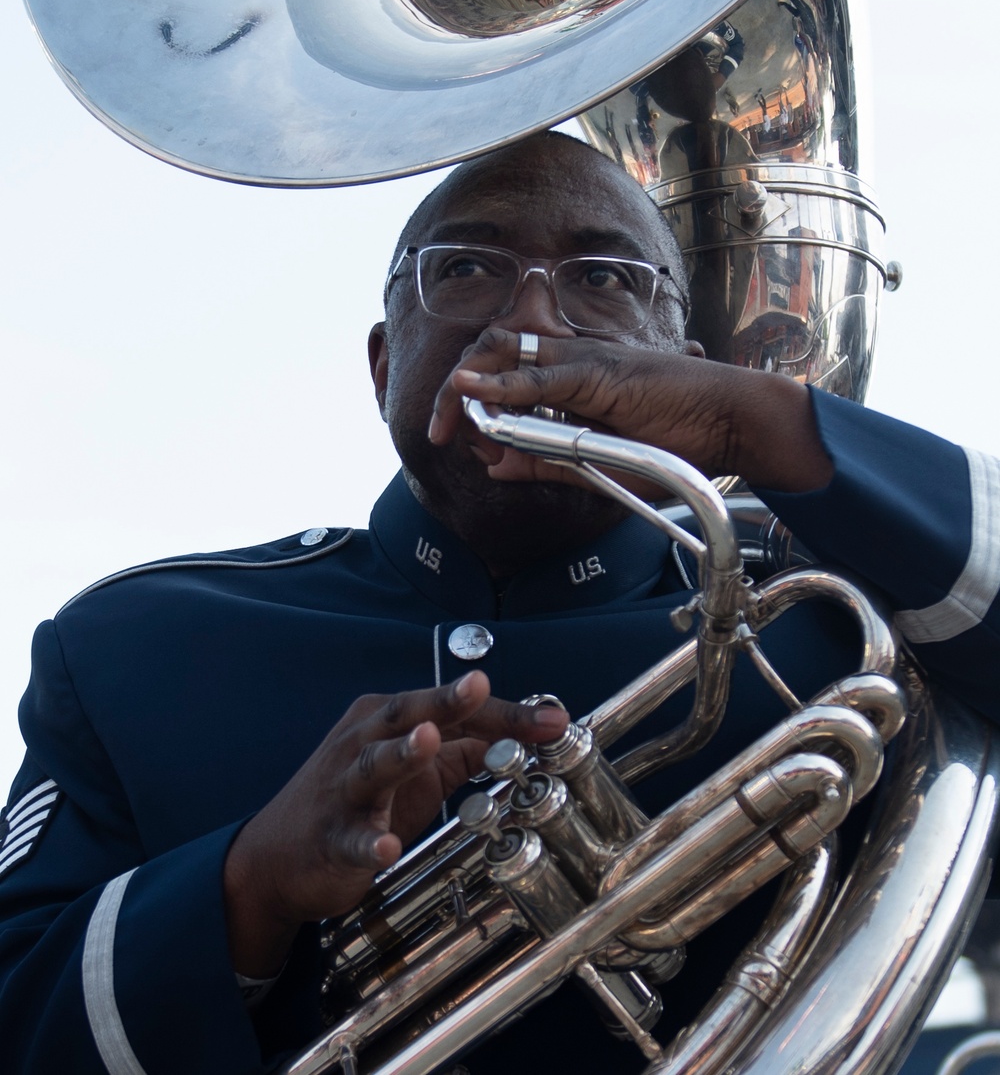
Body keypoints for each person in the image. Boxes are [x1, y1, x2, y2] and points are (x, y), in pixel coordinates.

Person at [1, 131, 998, 1075]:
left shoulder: (842, 621)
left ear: (683, 360)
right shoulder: (138, 647)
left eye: (605, 280)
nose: (528, 323)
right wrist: (245, 888)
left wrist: (757, 428)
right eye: (467, 268)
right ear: (385, 364)